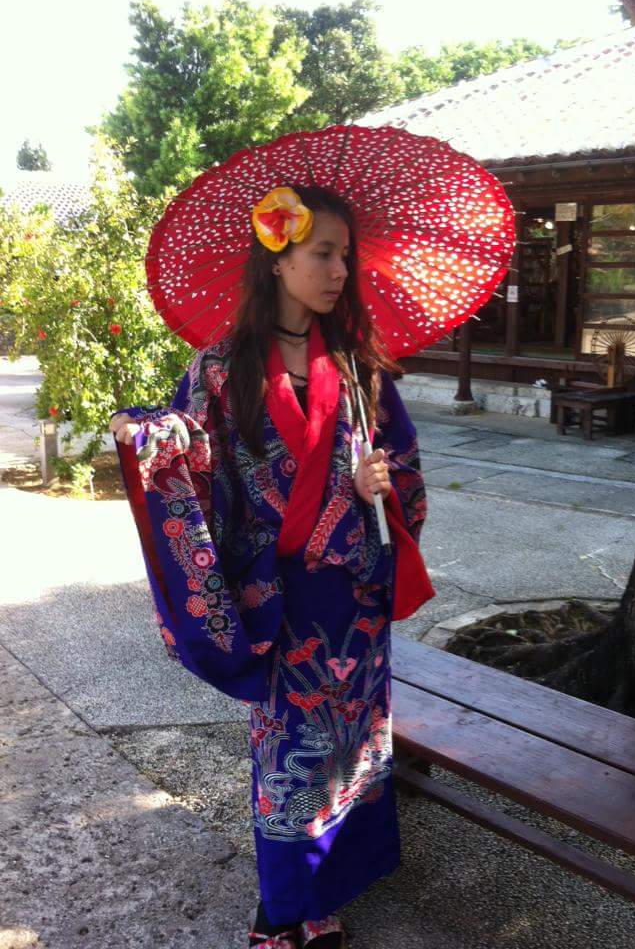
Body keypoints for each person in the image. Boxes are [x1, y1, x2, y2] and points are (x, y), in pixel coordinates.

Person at [109, 185, 435, 949]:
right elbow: (192, 446)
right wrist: (148, 434)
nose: (339, 270)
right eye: (323, 253)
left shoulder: (357, 367)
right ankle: (280, 910)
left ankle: (326, 897)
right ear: (277, 258)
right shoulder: (222, 369)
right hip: (282, 602)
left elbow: (402, 468)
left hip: (353, 604)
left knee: (354, 752)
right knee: (289, 760)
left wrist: (379, 485)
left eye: (345, 255)